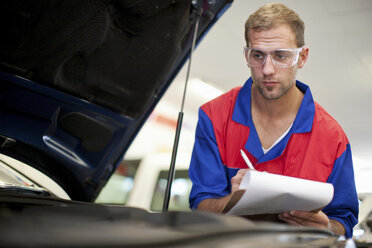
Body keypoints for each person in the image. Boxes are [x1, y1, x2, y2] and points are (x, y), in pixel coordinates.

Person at [188, 3, 358, 238]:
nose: (267, 69)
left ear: (302, 57)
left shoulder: (332, 137)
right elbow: (201, 206)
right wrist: (233, 200)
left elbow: (344, 220)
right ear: (247, 56)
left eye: (280, 56)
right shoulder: (214, 117)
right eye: (258, 55)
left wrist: (326, 227)